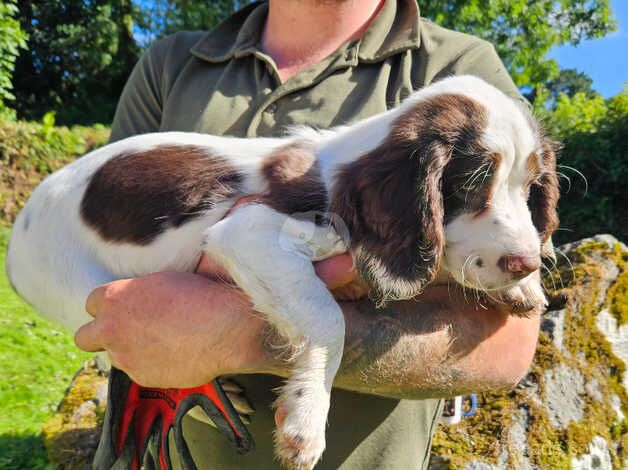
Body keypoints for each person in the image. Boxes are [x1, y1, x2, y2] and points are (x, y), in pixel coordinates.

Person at [69, 0, 542, 468]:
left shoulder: (457, 70)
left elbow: (509, 348)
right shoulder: (172, 64)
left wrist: (240, 333)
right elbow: (93, 265)